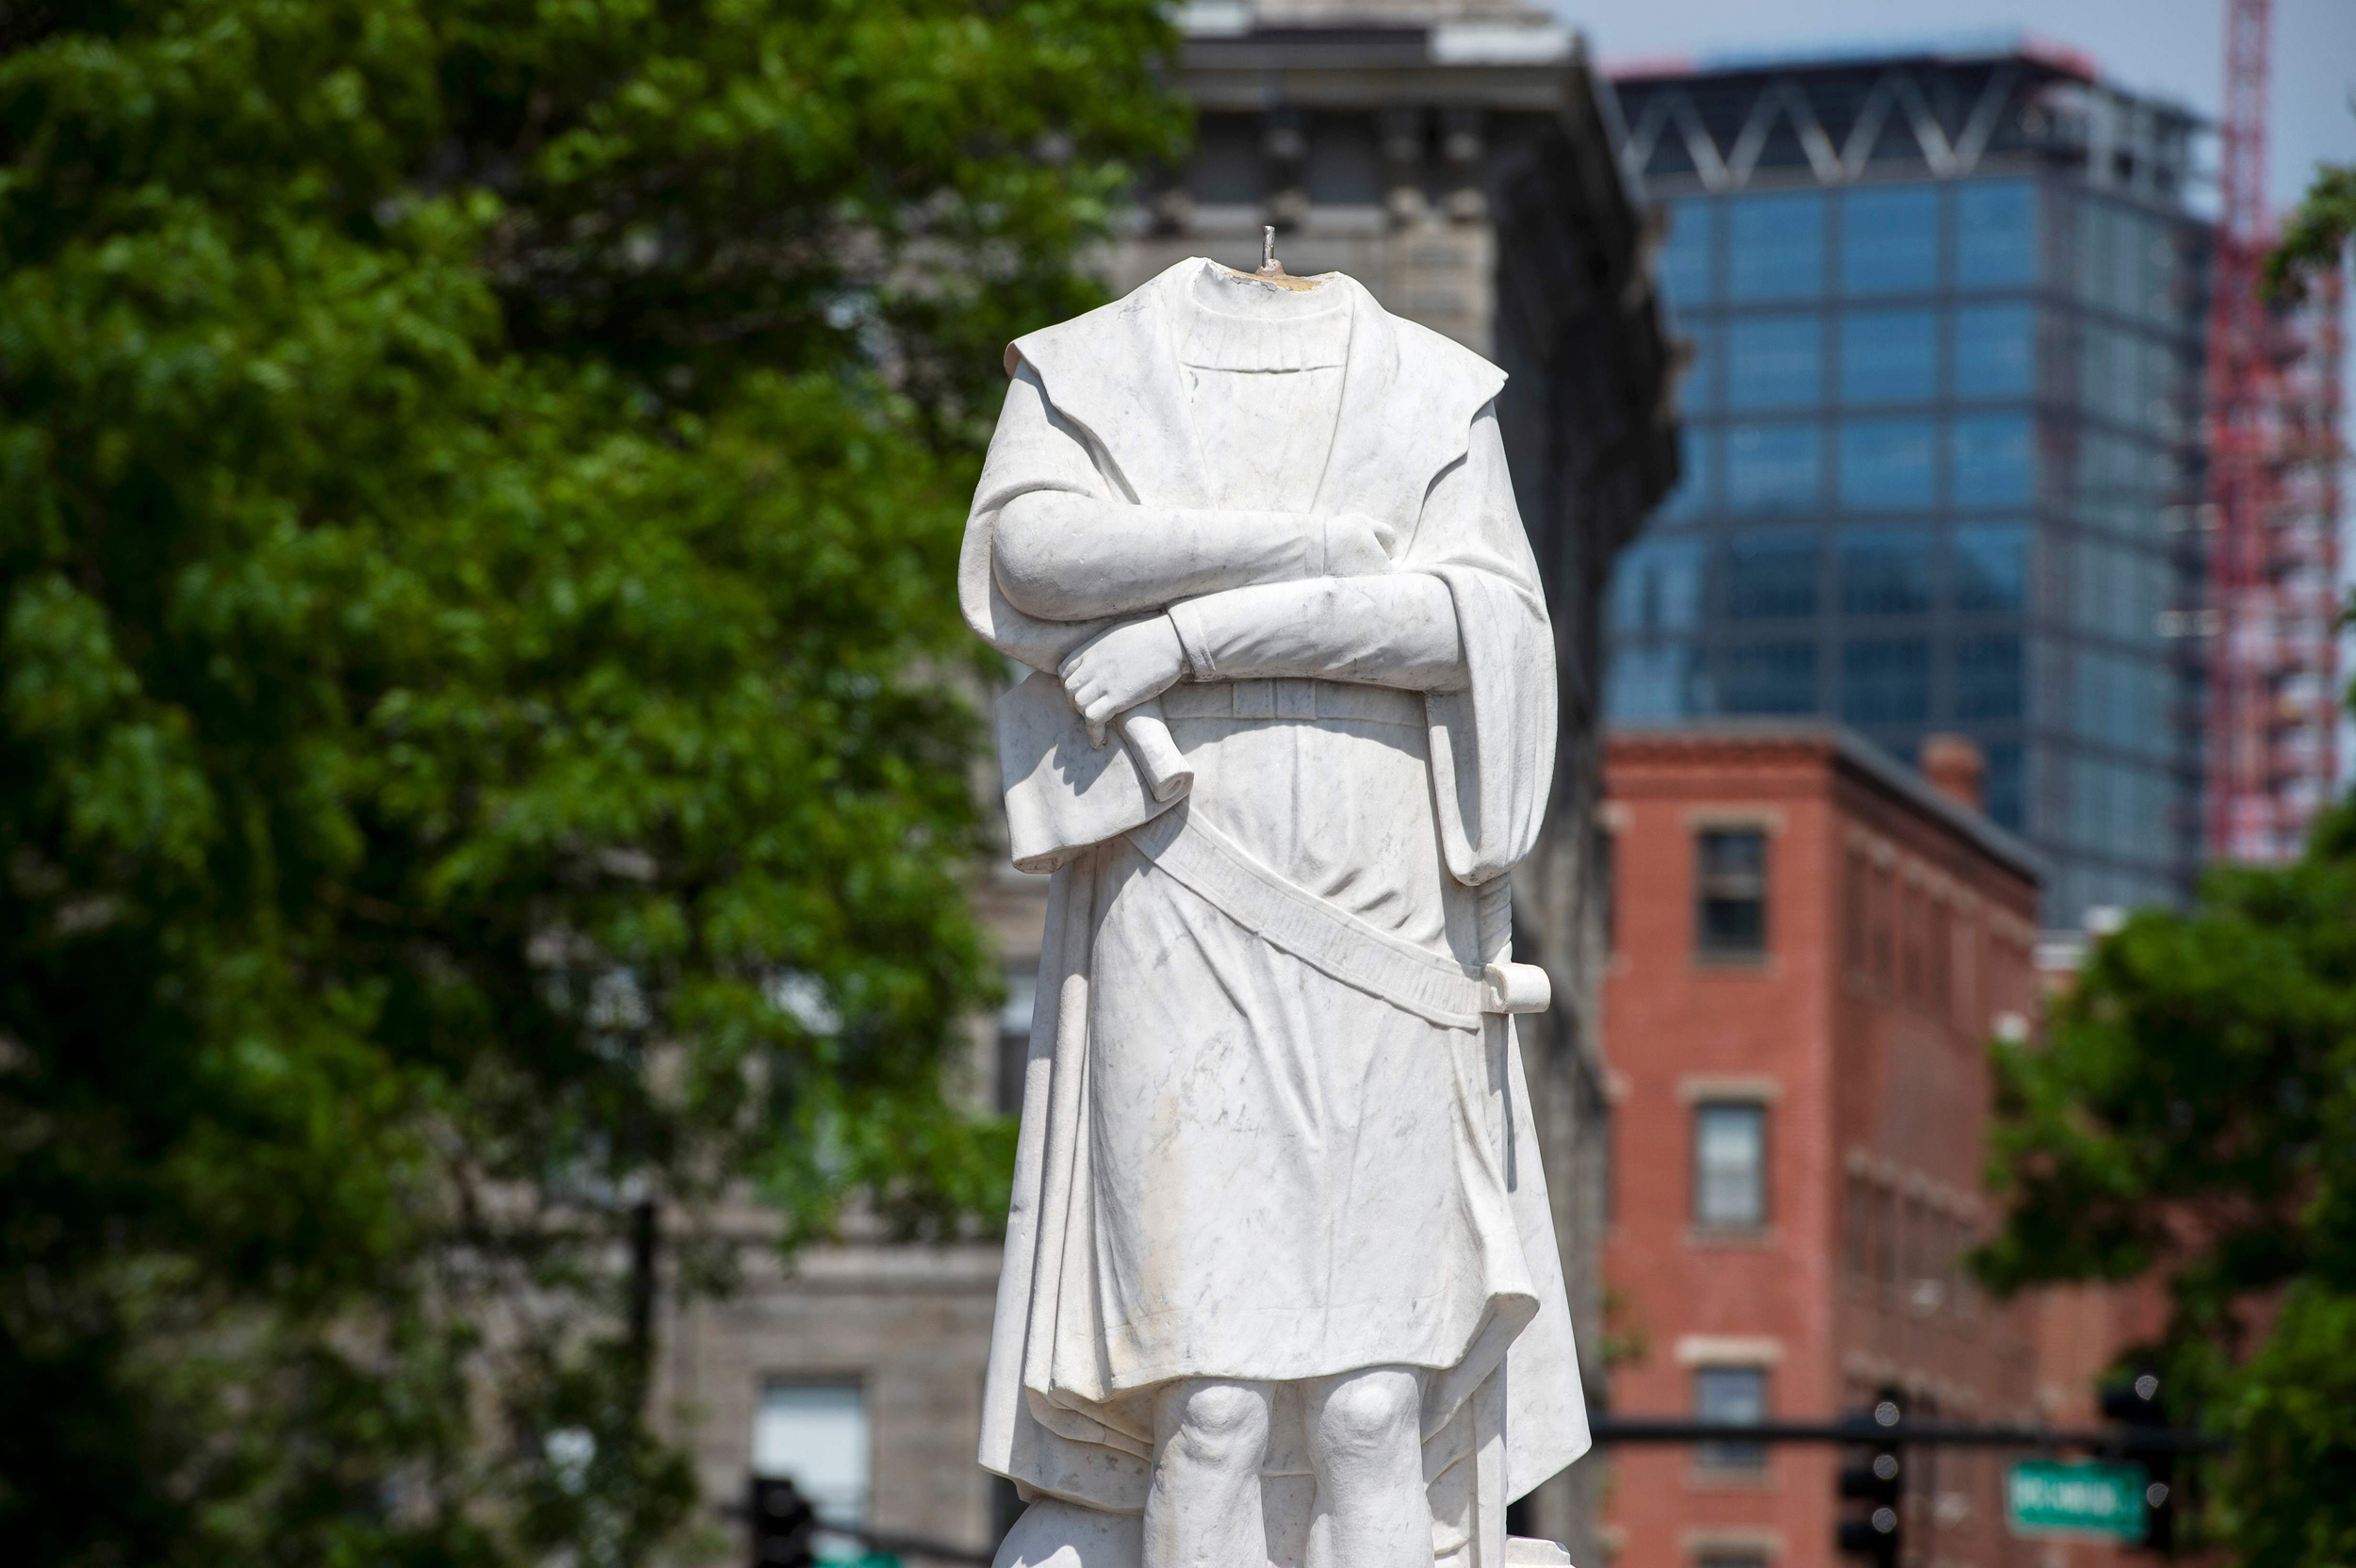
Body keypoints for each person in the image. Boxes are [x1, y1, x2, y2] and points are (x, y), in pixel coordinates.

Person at [963, 255, 1586, 1568]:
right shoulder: (1092, 363)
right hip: (1175, 887)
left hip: (1389, 909)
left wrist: (1193, 639)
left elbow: (1475, 631)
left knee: (1375, 1411)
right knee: (1212, 1408)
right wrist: (1291, 548)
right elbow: (1030, 554)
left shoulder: (1433, 390)